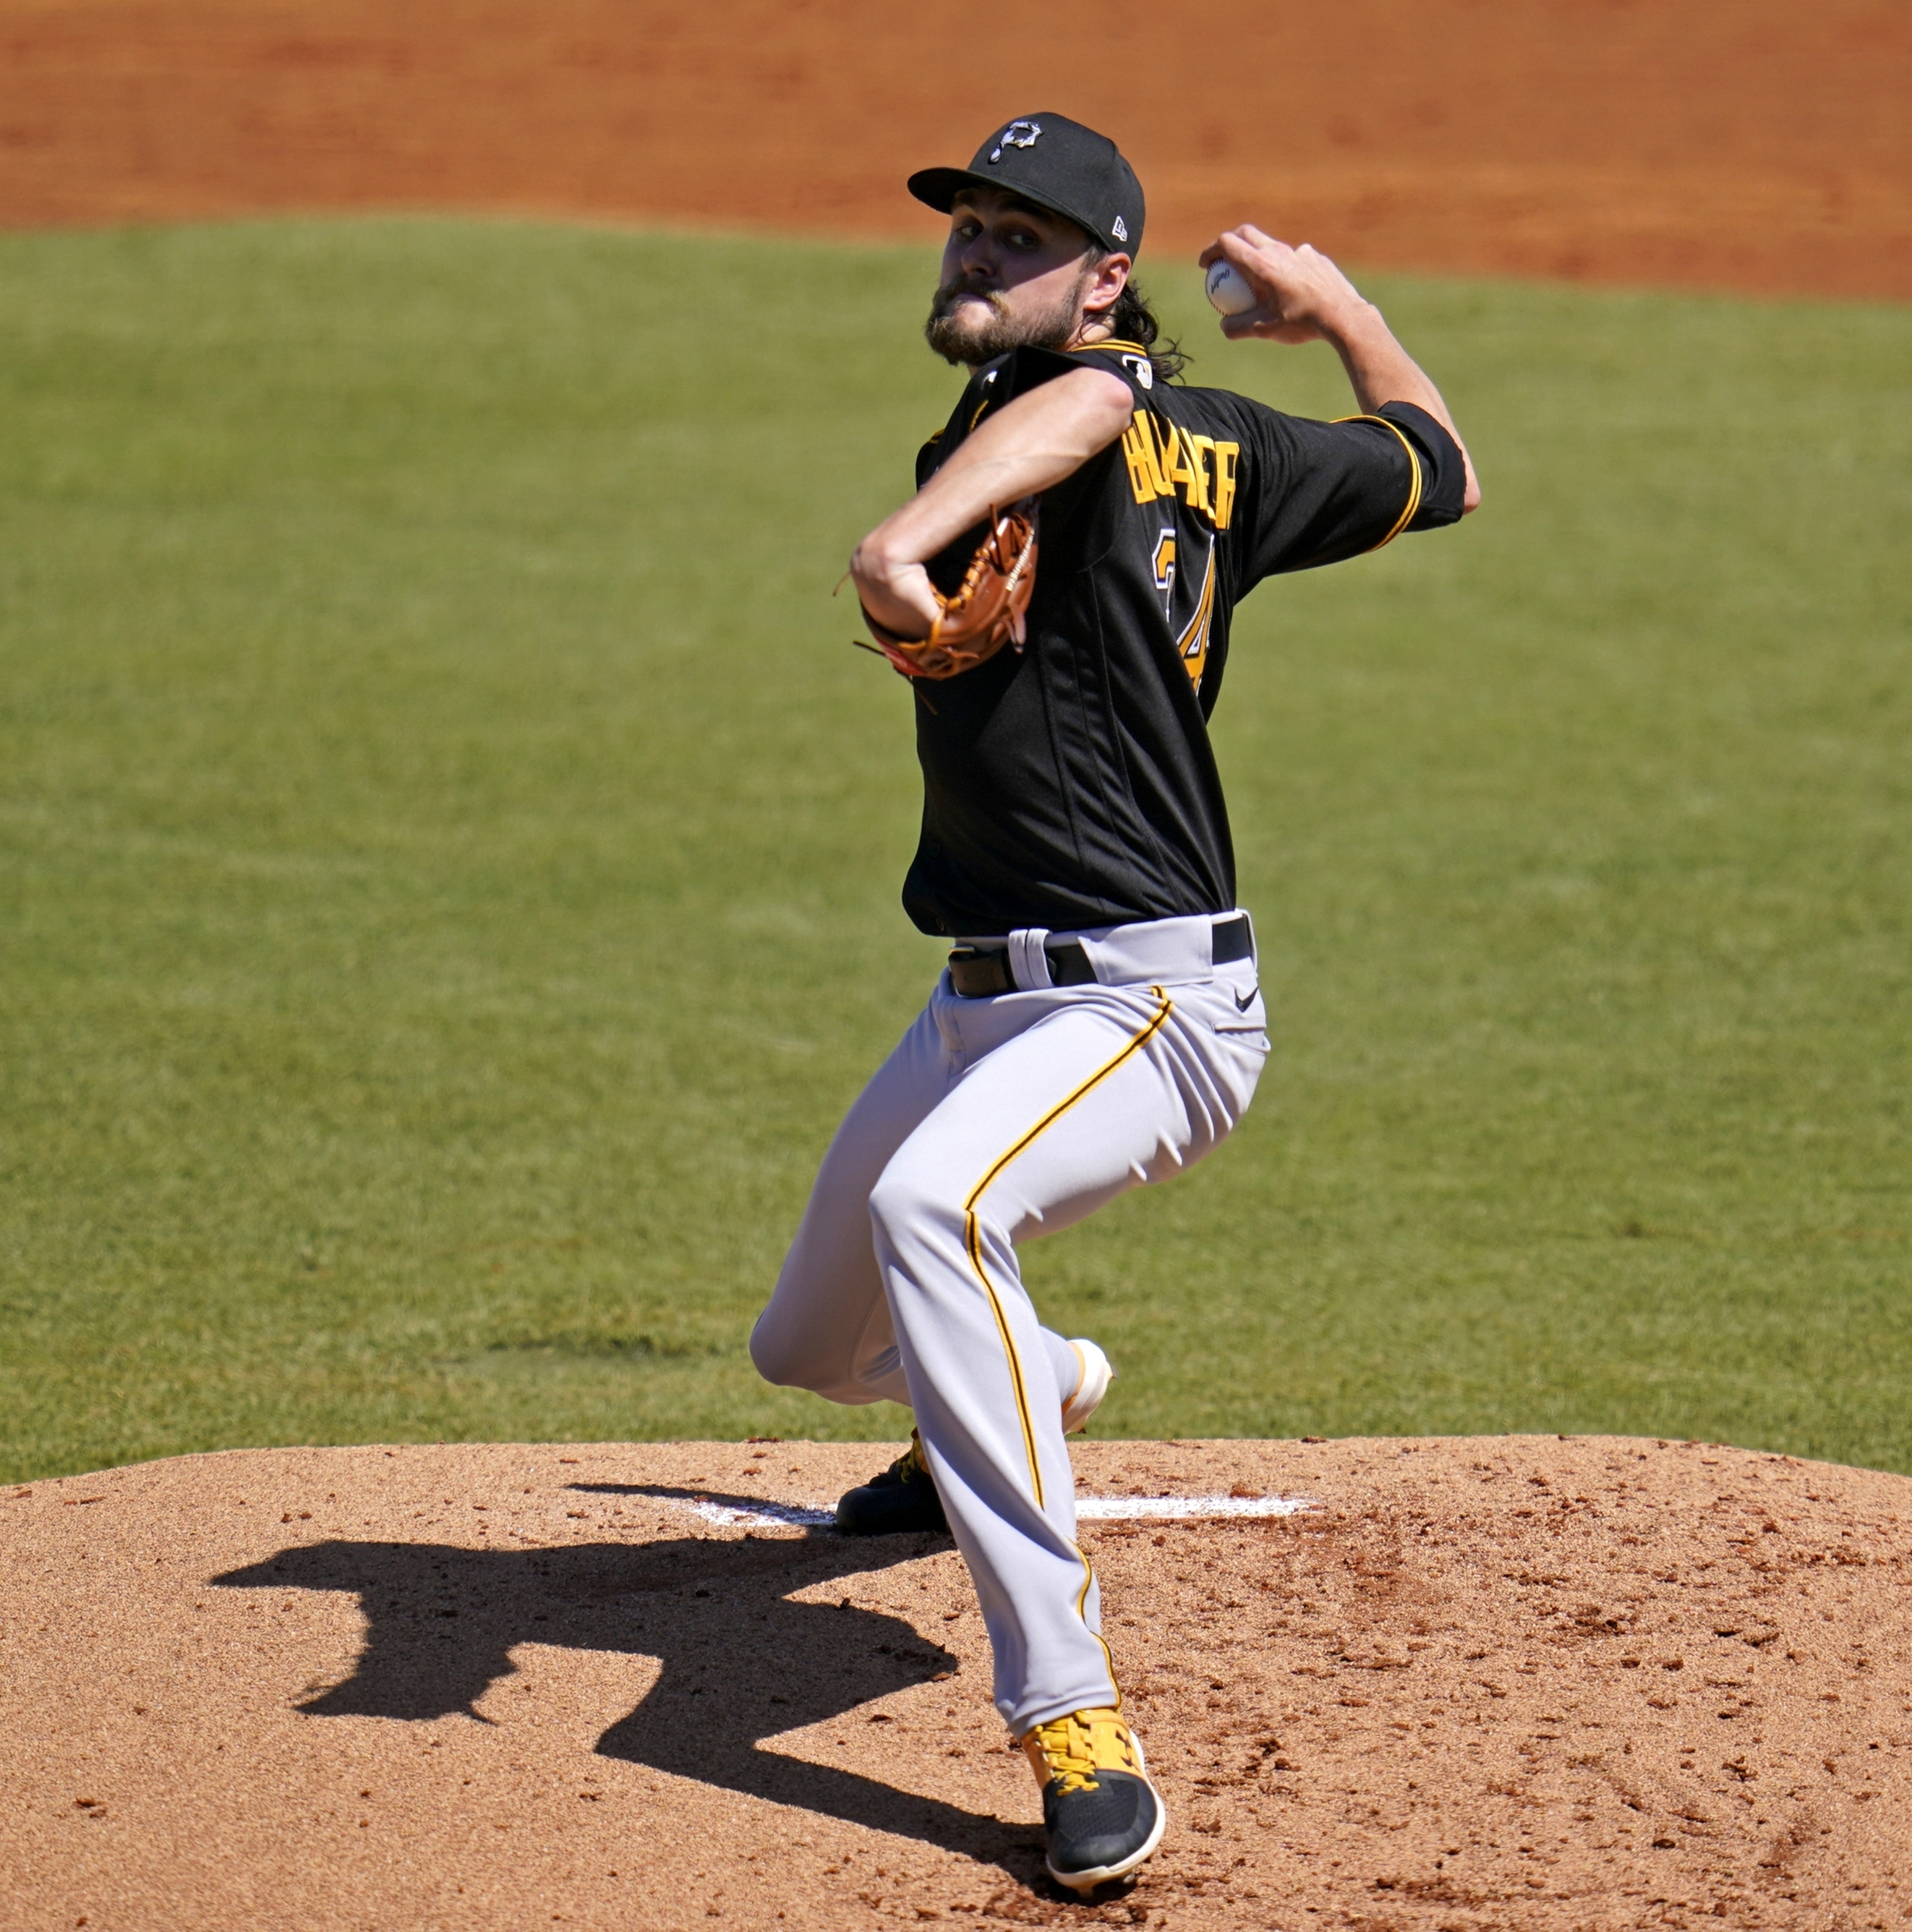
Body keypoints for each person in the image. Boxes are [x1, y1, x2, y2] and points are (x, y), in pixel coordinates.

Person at [747, 111, 1477, 1894]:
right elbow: (1432, 460)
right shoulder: (1220, 443)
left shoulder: (1102, 407)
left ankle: (1072, 1721)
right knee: (808, 1351)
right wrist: (1337, 312)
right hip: (981, 1012)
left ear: (1103, 279)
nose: (974, 257)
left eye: (1021, 238)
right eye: (965, 229)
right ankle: (1022, 1388)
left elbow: (1089, 412)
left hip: (1156, 1011)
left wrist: (900, 533)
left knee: (941, 1207)